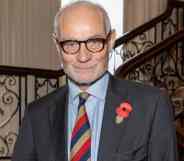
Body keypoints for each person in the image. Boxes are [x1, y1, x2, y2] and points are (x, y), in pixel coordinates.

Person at [12, 1, 178, 161]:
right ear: (57, 45)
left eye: (94, 42)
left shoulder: (151, 105)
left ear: (111, 40)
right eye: (70, 44)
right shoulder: (37, 115)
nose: (83, 57)